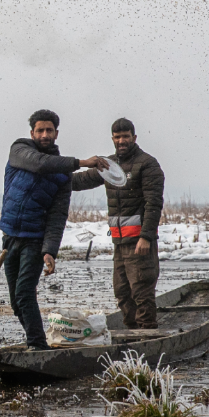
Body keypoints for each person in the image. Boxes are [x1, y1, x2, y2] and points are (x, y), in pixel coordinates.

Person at [0, 109, 110, 350]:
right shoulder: (19, 150)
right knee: (16, 302)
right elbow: (40, 164)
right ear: (32, 133)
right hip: (10, 238)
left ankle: (37, 347)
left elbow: (57, 216)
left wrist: (50, 250)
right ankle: (36, 342)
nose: (45, 134)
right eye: (40, 130)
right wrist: (81, 162)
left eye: (49, 130)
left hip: (34, 241)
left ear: (56, 133)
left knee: (24, 293)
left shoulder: (62, 175)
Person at [72, 117, 165, 330]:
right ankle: (131, 337)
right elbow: (79, 181)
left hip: (139, 242)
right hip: (119, 242)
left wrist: (146, 236)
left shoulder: (147, 164)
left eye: (125, 136)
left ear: (134, 137)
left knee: (141, 291)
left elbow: (154, 203)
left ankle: (148, 336)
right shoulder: (108, 165)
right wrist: (51, 177)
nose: (121, 140)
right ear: (112, 139)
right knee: (122, 292)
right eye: (117, 137)